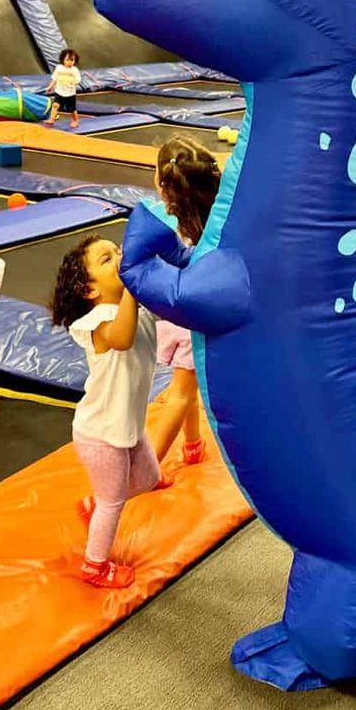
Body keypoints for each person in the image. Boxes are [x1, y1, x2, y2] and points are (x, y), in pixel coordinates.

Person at [51, 234, 168, 589]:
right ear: (90, 290)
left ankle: (96, 504)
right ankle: (94, 565)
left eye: (117, 251)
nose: (119, 257)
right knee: (114, 501)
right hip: (100, 433)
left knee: (148, 479)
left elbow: (167, 307)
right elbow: (121, 338)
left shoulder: (137, 307)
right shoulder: (97, 320)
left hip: (127, 425)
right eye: (107, 260)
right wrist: (133, 285)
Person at [147, 137, 221, 469]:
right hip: (193, 316)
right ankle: (147, 470)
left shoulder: (160, 222)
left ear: (163, 185)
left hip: (172, 315)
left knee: (181, 390)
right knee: (182, 390)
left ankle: (186, 447)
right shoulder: (215, 224)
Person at [44, 48, 81, 129]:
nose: (70, 62)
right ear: (63, 59)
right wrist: (50, 87)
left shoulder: (74, 70)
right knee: (55, 105)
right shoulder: (59, 68)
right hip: (59, 91)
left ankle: (76, 120)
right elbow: (54, 78)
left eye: (72, 60)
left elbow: (78, 79)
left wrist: (73, 81)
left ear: (75, 61)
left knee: (72, 109)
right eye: (67, 60)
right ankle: (51, 119)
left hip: (70, 93)